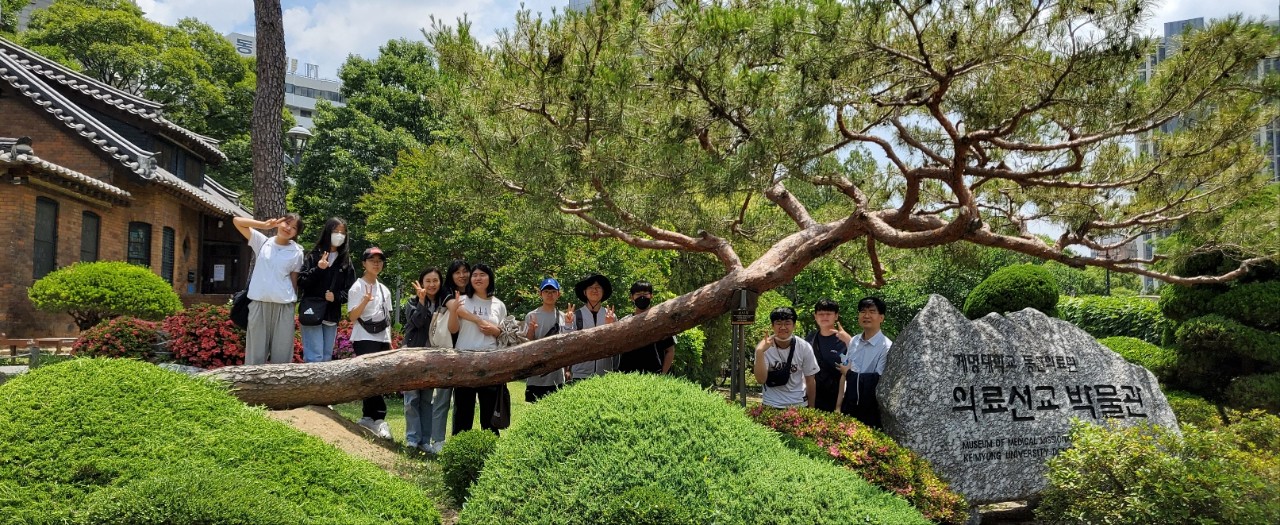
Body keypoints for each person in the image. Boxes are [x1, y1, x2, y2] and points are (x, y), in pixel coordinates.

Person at [232, 214, 305, 365]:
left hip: (284, 307)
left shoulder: (297, 252)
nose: (288, 228)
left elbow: (294, 280)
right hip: (259, 304)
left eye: (294, 227)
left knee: (282, 356)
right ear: (279, 222)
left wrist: (293, 305)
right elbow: (237, 221)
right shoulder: (263, 242)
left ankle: (281, 381)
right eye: (287, 223)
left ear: (296, 233)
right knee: (255, 355)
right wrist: (264, 225)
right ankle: (253, 380)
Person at [447, 263, 507, 435]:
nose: (478, 278)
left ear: (490, 278)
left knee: (489, 410)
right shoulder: (462, 300)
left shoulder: (499, 305)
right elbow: (453, 329)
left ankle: (490, 447)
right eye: (474, 275)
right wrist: (454, 311)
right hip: (464, 359)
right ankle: (459, 446)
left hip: (490, 360)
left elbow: (504, 335)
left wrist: (495, 330)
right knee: (463, 410)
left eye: (482, 274)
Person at [348, 246, 395, 439]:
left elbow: (387, 318)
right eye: (372, 260)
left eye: (379, 261)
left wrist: (389, 342)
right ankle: (377, 418)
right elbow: (352, 316)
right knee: (369, 378)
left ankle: (370, 416)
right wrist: (365, 301)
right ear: (363, 263)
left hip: (381, 338)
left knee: (379, 379)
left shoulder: (384, 289)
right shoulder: (357, 287)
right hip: (364, 337)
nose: (376, 264)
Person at [296, 217, 355, 363]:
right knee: (314, 357)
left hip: (331, 314)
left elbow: (351, 290)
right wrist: (318, 269)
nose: (339, 235)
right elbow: (301, 282)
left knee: (327, 357)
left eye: (343, 232)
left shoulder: (345, 261)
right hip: (312, 311)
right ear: (328, 232)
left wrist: (336, 297)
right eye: (336, 231)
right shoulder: (314, 255)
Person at [402, 267, 444, 451]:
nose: (432, 284)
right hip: (413, 354)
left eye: (435, 280)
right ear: (421, 283)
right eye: (428, 281)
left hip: (433, 356)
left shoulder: (444, 303)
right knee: (411, 397)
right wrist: (421, 301)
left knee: (427, 399)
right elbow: (416, 322)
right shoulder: (412, 302)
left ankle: (425, 440)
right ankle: (412, 438)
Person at [836, 297, 892, 429]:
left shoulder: (886, 346)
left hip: (870, 410)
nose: (866, 316)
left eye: (872, 312)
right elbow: (844, 374)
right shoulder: (854, 341)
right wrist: (838, 407)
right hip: (849, 405)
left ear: (881, 317)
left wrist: (849, 373)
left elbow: (877, 380)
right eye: (862, 311)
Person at [754, 306, 820, 409]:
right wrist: (759, 351)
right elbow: (761, 380)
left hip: (798, 404)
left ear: (794, 325)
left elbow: (810, 380)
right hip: (771, 404)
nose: (783, 327)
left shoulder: (804, 347)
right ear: (772, 326)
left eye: (787, 323)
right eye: (779, 323)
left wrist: (811, 407)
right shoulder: (763, 347)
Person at [522, 278, 573, 402]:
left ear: (558, 294)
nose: (550, 295)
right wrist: (531, 330)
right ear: (540, 294)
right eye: (546, 292)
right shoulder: (531, 315)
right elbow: (525, 345)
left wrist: (568, 369)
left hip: (557, 375)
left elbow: (568, 344)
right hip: (535, 375)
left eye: (553, 291)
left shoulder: (564, 317)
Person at [567, 273, 618, 383]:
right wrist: (567, 324)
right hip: (580, 373)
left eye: (598, 287)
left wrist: (610, 327)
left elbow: (616, 346)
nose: (594, 290)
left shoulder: (611, 316)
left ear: (603, 292)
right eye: (590, 287)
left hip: (605, 374)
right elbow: (568, 344)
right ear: (584, 292)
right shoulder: (576, 316)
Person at [617, 280, 675, 374]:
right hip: (627, 375)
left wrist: (663, 374)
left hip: (653, 375)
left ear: (651, 296)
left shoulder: (660, 321)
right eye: (638, 294)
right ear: (632, 297)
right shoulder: (624, 321)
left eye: (645, 294)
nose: (642, 297)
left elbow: (670, 351)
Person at [805, 298, 848, 412]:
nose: (824, 317)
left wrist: (838, 406)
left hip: (838, 399)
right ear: (815, 316)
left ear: (836, 316)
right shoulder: (809, 340)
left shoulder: (845, 341)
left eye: (828, 314)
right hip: (813, 397)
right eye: (821, 314)